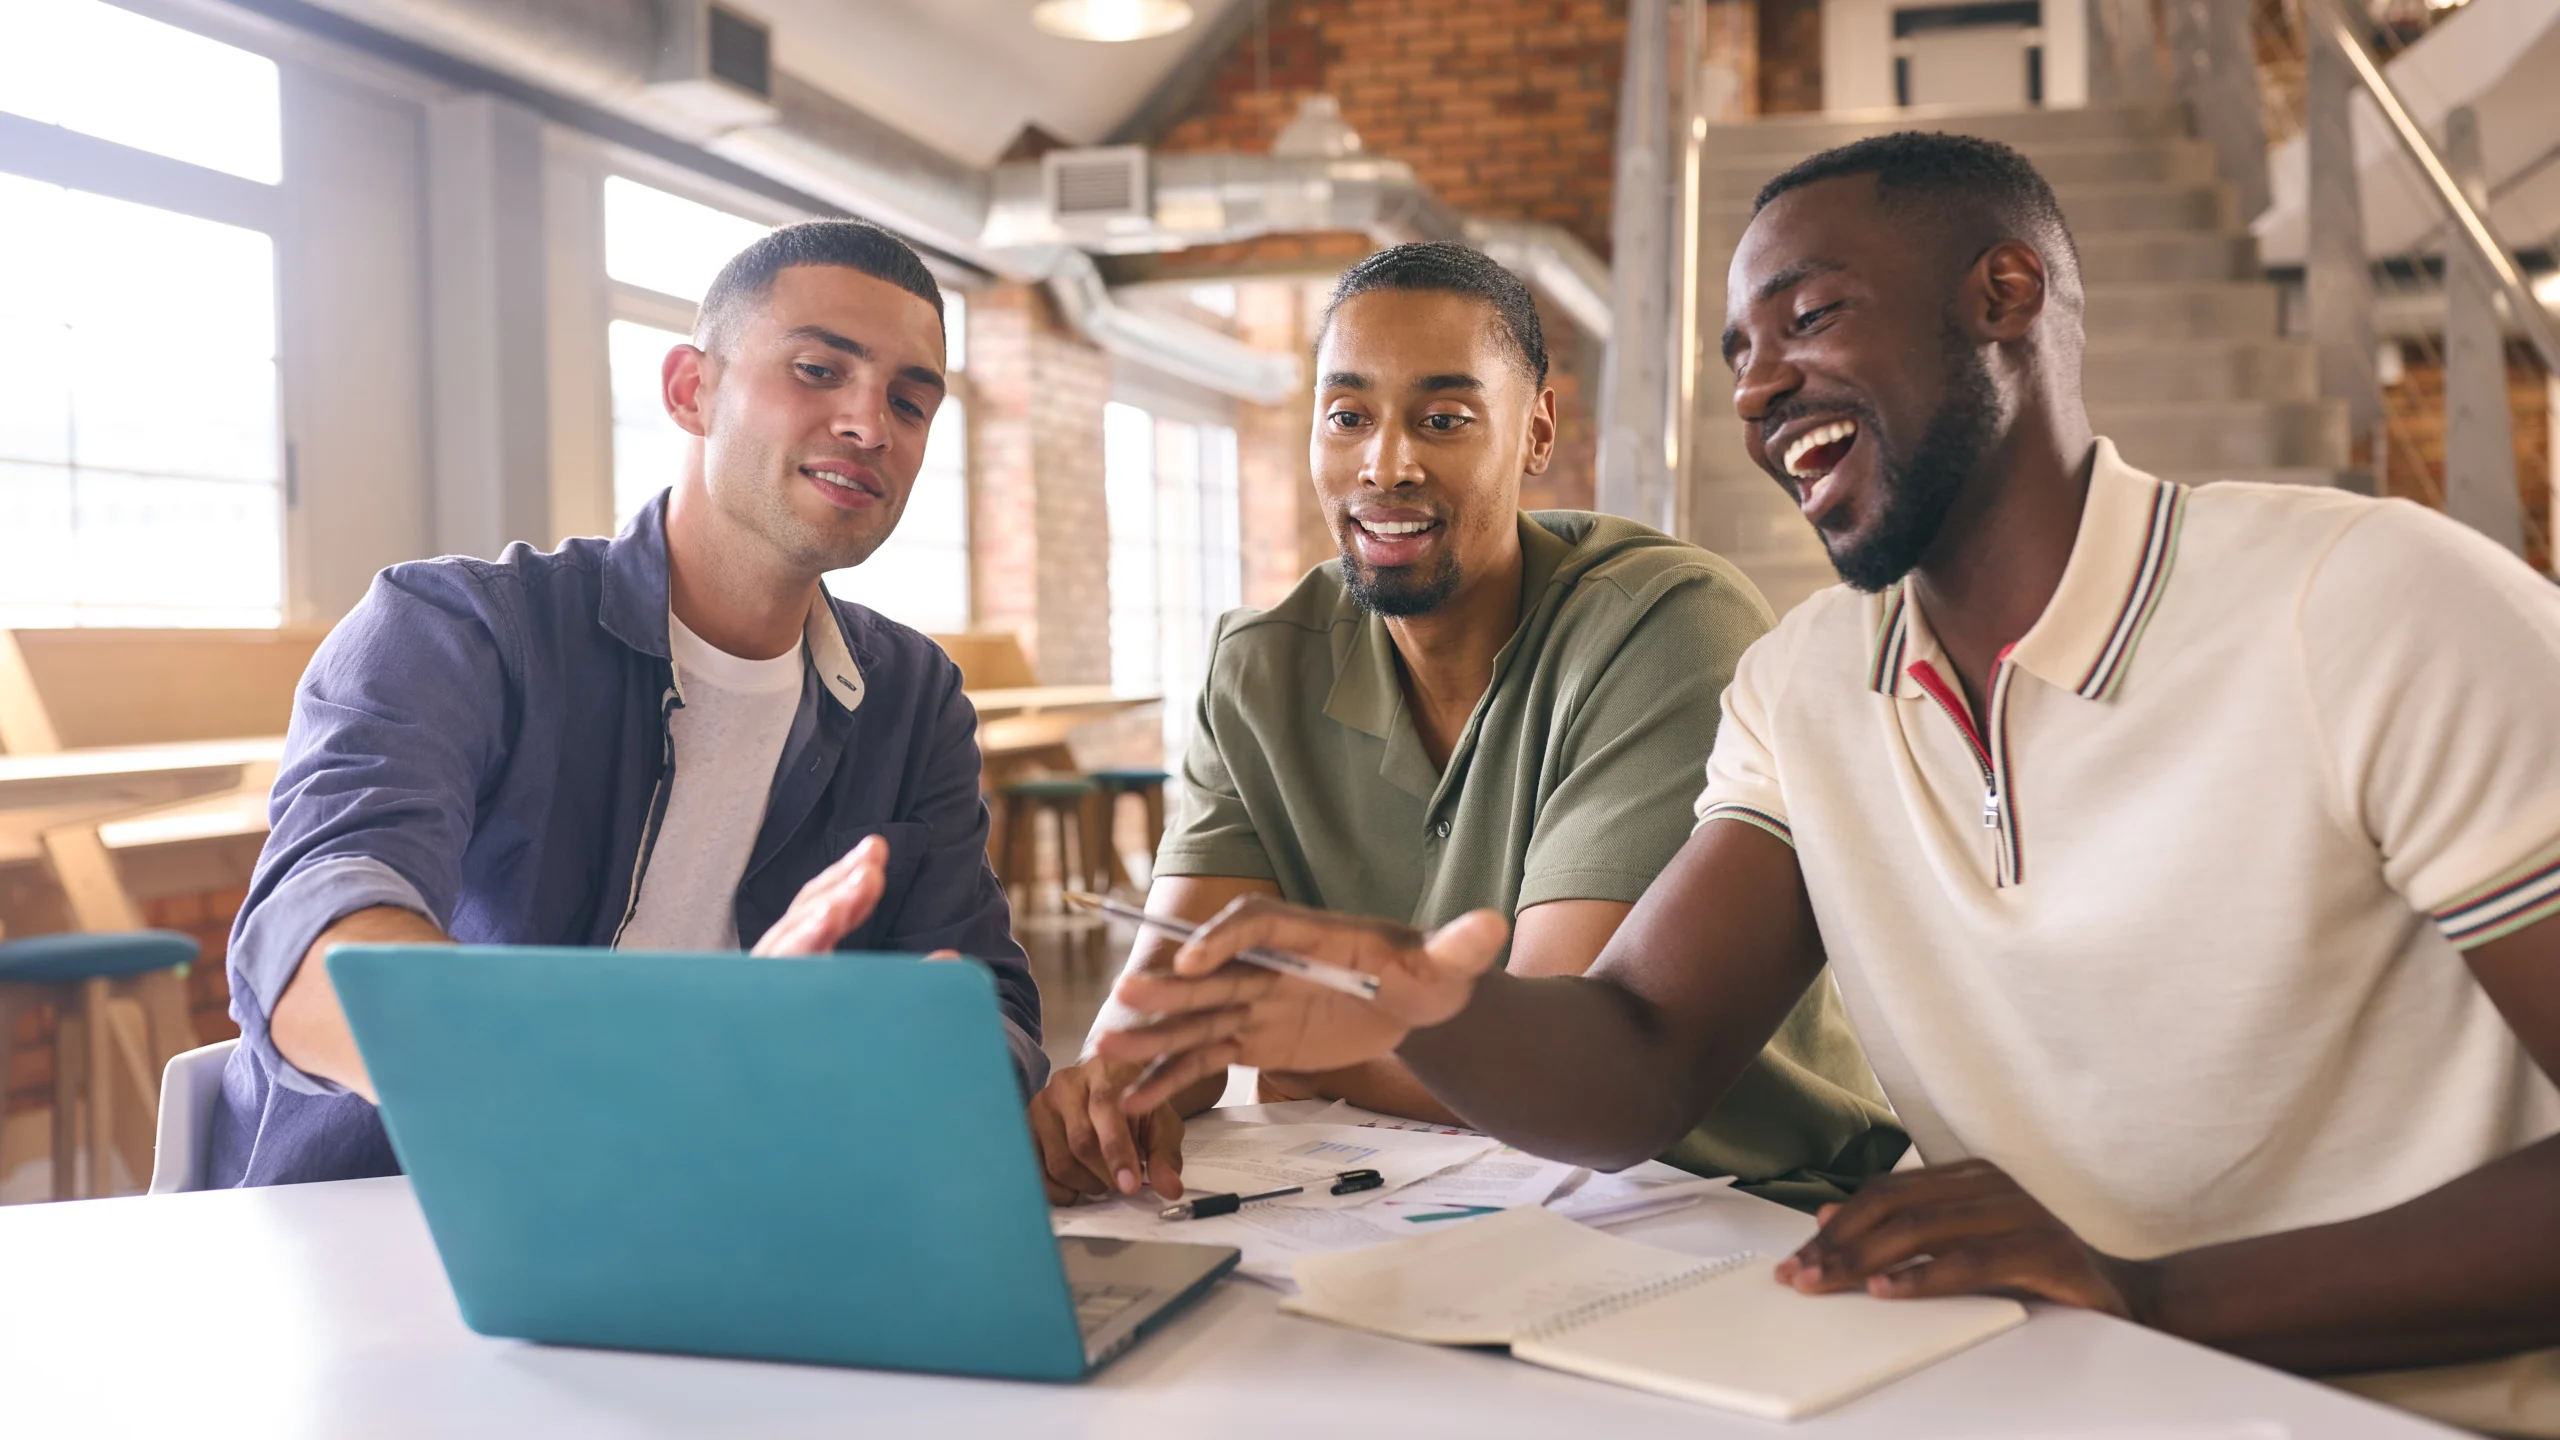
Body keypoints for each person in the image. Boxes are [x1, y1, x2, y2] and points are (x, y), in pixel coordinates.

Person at [1091, 134, 2560, 1434]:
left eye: (1810, 316)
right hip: (2045, 1380)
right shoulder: (1806, 688)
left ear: (2008, 297)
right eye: (1739, 348)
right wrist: (1440, 1008)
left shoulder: (2369, 603)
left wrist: (2147, 1293)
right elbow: (1637, 1058)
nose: (1759, 385)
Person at [1028, 242, 1903, 1212]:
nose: (1385, 463)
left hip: (1728, 1203)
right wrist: (1112, 1085)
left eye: (1443, 419)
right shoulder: (1261, 666)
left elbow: (1558, 1068)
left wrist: (1316, 1057)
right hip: (1410, 1191)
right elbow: (1173, 1015)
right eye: (1347, 416)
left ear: (1535, 433)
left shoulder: (1661, 625)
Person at [213, 220, 1042, 1187]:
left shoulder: (914, 699)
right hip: (398, 1218)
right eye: (819, 370)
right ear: (691, 390)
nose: (871, 425)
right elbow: (315, 953)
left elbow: (993, 1016)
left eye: (910, 401)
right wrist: (657, 1062)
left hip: (742, 1221)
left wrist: (935, 1056)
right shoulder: (456, 628)